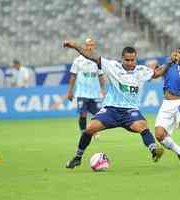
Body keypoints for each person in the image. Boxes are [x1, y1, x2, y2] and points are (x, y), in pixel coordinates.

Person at [63, 40, 164, 169]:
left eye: (132, 60)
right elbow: (91, 55)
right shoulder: (112, 66)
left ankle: (154, 150)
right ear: (122, 59)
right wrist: (74, 45)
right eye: (127, 60)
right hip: (111, 109)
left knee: (143, 126)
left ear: (136, 59)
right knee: (89, 129)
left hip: (130, 111)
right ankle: (77, 158)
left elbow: (157, 73)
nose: (130, 63)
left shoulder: (142, 71)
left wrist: (170, 63)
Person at [66, 38, 106, 135]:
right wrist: (70, 91)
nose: (90, 47)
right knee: (83, 114)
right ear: (84, 46)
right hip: (82, 93)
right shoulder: (78, 60)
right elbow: (73, 76)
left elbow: (101, 76)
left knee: (98, 115)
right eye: (88, 45)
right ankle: (83, 133)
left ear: (94, 46)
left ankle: (94, 131)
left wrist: (103, 89)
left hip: (95, 93)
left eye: (92, 45)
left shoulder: (98, 60)